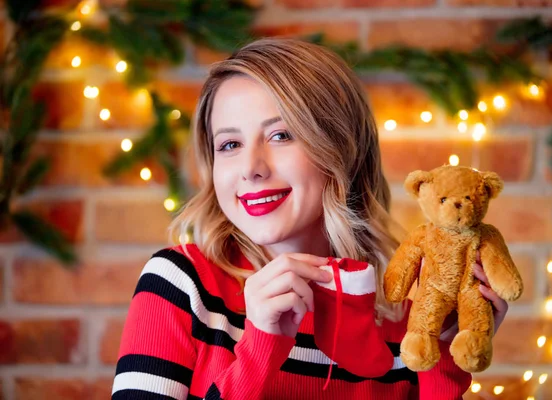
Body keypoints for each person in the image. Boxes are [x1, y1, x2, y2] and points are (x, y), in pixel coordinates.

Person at [110, 37, 509, 400]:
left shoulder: (405, 313)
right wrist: (261, 348)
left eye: (281, 135)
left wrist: (445, 350)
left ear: (341, 148)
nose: (251, 168)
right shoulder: (182, 283)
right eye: (229, 144)